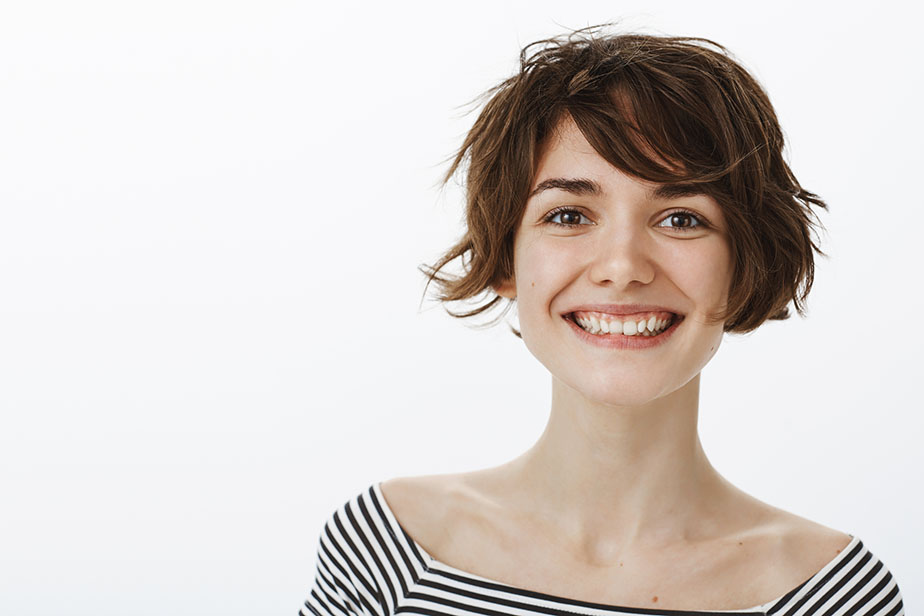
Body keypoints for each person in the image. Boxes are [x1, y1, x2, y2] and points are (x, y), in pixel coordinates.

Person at [299, 26, 906, 615]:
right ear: (505, 256)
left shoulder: (832, 596)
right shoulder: (387, 552)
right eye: (568, 216)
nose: (621, 267)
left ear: (744, 265)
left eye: (680, 218)